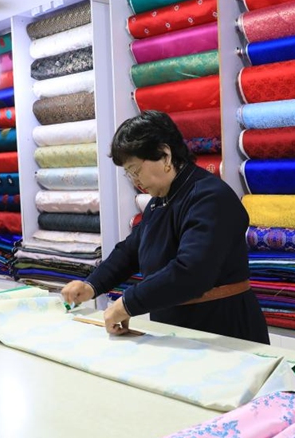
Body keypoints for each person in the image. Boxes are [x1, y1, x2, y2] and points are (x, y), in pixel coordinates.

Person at [61, 111, 269, 344]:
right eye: (129, 174)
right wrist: (92, 285)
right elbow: (131, 251)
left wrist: (128, 303)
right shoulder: (160, 201)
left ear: (165, 155)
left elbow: (191, 271)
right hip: (176, 326)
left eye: (135, 170)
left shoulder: (210, 197)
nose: (135, 181)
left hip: (222, 331)